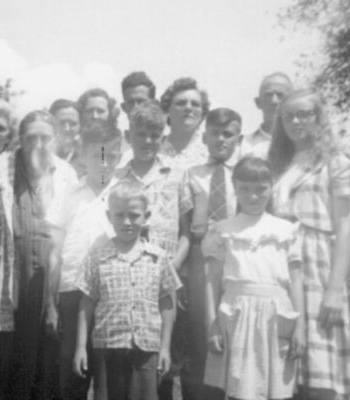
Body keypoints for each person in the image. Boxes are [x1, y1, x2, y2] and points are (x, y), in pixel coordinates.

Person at [0, 110, 78, 400]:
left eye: (45, 137)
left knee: (46, 360)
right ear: (20, 139)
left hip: (51, 279)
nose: (38, 143)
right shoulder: (1, 169)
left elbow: (73, 229)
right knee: (8, 359)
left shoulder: (66, 174)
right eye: (31, 137)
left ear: (55, 140)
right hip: (10, 275)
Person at [268, 90, 350, 400]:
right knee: (284, 363)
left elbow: (344, 225)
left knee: (320, 364)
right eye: (288, 116)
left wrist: (335, 288)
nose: (295, 121)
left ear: (318, 117)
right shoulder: (278, 164)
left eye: (303, 114)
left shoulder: (336, 161)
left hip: (317, 263)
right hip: (280, 264)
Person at [203, 156, 305, 400]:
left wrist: (300, 326)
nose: (253, 196)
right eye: (245, 189)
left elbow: (296, 279)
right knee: (240, 388)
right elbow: (211, 281)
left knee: (275, 388)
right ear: (235, 188)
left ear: (271, 188)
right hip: (236, 315)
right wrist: (212, 325)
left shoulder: (285, 230)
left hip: (276, 315)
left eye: (261, 189)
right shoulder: (223, 230)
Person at [73, 181, 181, 400]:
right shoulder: (97, 255)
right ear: (109, 216)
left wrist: (165, 348)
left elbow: (167, 305)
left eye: (133, 215)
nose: (126, 222)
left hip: (146, 348)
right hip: (107, 346)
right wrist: (80, 347)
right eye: (119, 215)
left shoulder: (158, 257)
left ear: (146, 216)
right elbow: (87, 303)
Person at [113, 101, 192, 400]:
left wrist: (170, 268)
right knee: (128, 356)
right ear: (129, 134)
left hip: (165, 278)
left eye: (154, 135)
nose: (147, 141)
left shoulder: (177, 174)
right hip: (127, 276)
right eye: (141, 133)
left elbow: (186, 233)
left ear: (163, 136)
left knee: (162, 359)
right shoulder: (116, 174)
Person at [52, 120, 122, 400]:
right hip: (72, 292)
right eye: (97, 155)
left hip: (112, 297)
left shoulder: (125, 196)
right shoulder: (69, 196)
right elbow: (54, 250)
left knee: (108, 378)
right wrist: (50, 301)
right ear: (83, 155)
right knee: (72, 374)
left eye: (112, 155)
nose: (105, 163)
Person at [182, 108, 242, 400]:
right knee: (201, 329)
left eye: (228, 134)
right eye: (215, 133)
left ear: (237, 139)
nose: (221, 140)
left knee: (234, 329)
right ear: (204, 137)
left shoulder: (245, 175)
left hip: (236, 259)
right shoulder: (192, 174)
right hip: (200, 259)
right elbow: (184, 225)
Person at [159, 77, 210, 169]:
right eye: (181, 103)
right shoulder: (153, 149)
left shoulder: (211, 153)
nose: (188, 108)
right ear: (167, 110)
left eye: (195, 104)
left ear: (202, 114)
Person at [239, 72, 293, 159]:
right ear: (258, 102)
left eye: (280, 95)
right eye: (268, 95)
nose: (274, 101)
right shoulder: (242, 144)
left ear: (292, 102)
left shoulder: (304, 144)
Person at [49, 98, 85, 177]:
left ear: (80, 126)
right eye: (61, 123)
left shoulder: (88, 159)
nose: (66, 128)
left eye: (73, 123)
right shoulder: (41, 155)